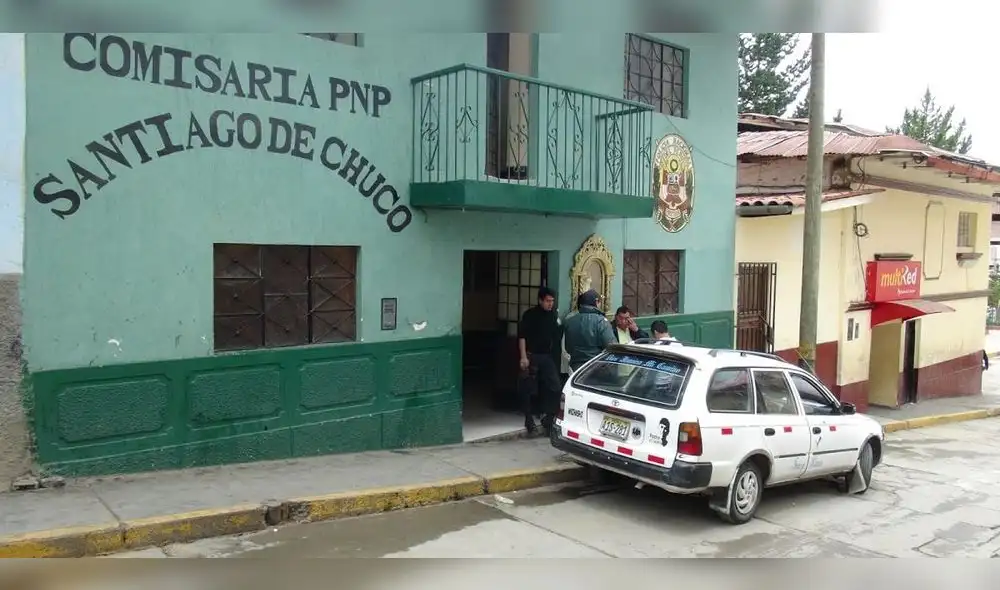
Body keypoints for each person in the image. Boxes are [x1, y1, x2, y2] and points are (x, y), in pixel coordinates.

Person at [518, 287, 562, 434]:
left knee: (555, 386)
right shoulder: (530, 315)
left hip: (547, 356)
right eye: (548, 301)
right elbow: (522, 336)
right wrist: (523, 356)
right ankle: (528, 418)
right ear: (540, 300)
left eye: (552, 301)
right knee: (528, 388)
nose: (550, 304)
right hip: (532, 355)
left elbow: (556, 335)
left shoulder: (552, 315)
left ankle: (548, 418)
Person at [564, 289, 616, 373]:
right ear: (596, 302)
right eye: (599, 302)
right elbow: (612, 346)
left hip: (575, 368)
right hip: (596, 367)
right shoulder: (601, 321)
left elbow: (567, 347)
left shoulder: (570, 321)